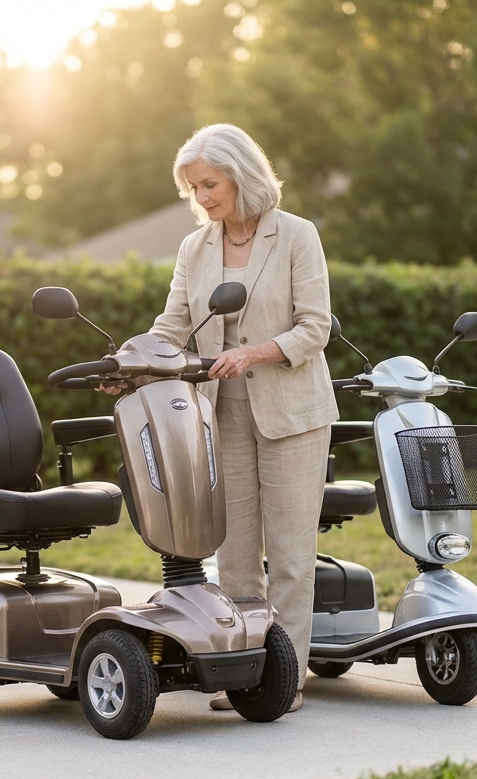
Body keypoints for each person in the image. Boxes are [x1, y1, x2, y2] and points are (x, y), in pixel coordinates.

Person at [150, 123, 337, 713]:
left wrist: (251, 353)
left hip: (293, 413)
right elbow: (172, 323)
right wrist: (135, 361)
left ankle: (288, 677)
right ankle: (245, 673)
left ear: (241, 175)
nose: (202, 198)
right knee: (233, 552)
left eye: (210, 184)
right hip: (221, 414)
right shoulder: (194, 248)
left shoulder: (297, 236)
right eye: (193, 189)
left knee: (288, 552)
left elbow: (315, 327)